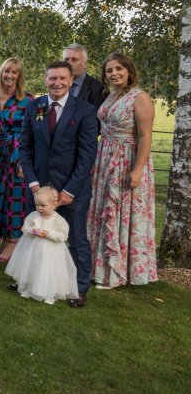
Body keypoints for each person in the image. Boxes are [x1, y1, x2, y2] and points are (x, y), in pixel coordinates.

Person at [20, 60, 99, 308]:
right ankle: (33, 281)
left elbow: (87, 155)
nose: (57, 83)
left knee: (75, 238)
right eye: (52, 78)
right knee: (36, 236)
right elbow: (25, 146)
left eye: (62, 78)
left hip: (72, 188)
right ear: (45, 80)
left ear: (71, 80)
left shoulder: (85, 111)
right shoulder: (34, 107)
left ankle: (78, 287)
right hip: (40, 189)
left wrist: (70, 190)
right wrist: (33, 182)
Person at [87, 52, 157, 289]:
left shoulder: (140, 97)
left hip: (127, 159)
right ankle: (99, 267)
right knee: (102, 210)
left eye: (118, 69)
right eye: (109, 70)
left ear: (129, 70)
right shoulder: (111, 95)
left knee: (121, 212)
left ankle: (117, 272)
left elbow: (145, 136)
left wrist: (137, 170)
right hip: (105, 157)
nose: (114, 74)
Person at [0, 58, 34, 262]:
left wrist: (24, 160)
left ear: (19, 76)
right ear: (1, 73)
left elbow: (31, 133)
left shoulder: (28, 100)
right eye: (6, 71)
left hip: (17, 154)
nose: (9, 75)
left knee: (15, 197)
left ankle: (14, 242)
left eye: (14, 72)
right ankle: (4, 237)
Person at [4, 187, 79, 305]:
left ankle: (50, 293)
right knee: (33, 267)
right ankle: (30, 288)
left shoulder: (58, 220)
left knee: (49, 270)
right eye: (37, 205)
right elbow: (25, 227)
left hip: (51, 251)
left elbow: (63, 235)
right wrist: (32, 231)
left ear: (54, 204)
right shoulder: (33, 215)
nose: (39, 208)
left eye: (43, 205)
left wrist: (48, 234)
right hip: (33, 249)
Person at [63, 43, 107, 109]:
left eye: (74, 60)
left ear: (85, 64)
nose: (69, 63)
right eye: (66, 60)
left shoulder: (98, 89)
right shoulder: (58, 84)